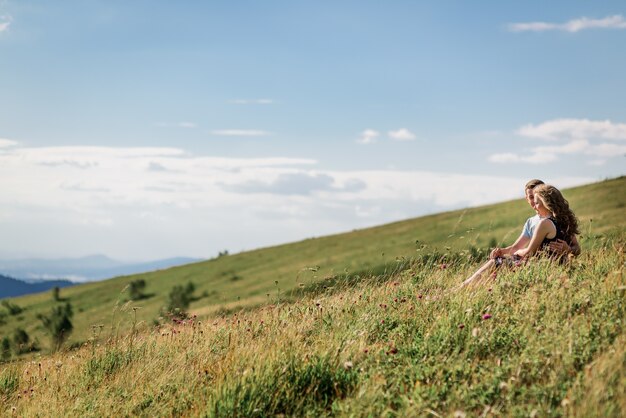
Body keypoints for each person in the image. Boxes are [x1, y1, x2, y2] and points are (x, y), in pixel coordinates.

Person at [461, 181, 580, 287]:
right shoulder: (563, 221)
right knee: (499, 264)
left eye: (537, 202)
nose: (535, 205)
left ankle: (464, 287)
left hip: (544, 268)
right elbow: (517, 247)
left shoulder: (545, 223)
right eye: (531, 199)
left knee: (496, 262)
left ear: (547, 203)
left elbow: (529, 252)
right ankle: (469, 287)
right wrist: (503, 251)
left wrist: (568, 249)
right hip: (558, 267)